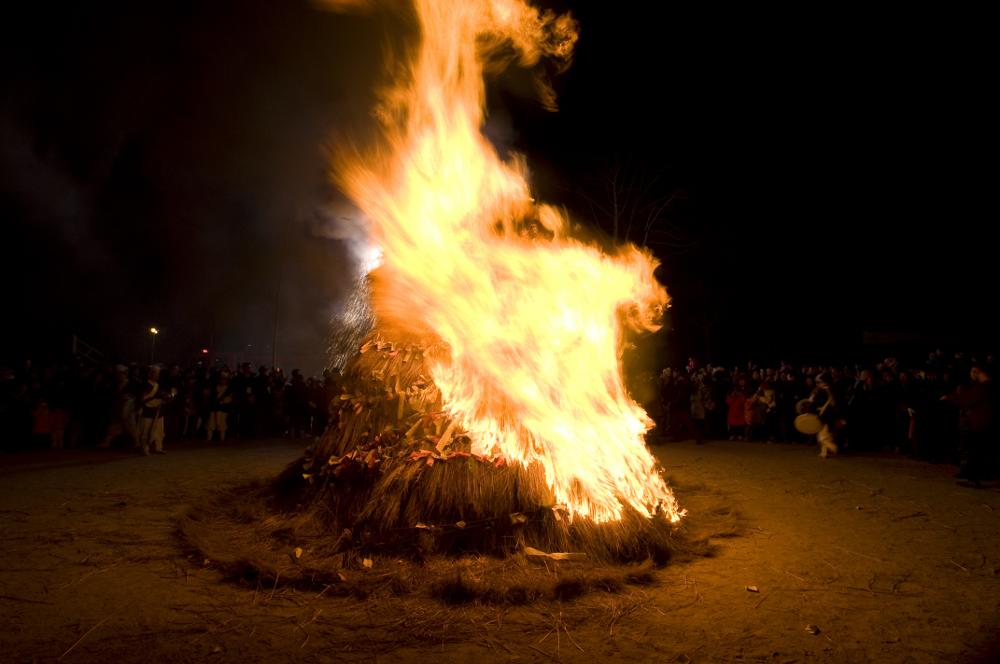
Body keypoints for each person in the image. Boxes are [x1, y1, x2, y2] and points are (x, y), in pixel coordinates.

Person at [941, 364, 994, 487]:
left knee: (975, 451)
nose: (972, 375)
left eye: (974, 372)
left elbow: (966, 399)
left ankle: (974, 478)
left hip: (979, 423)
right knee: (979, 451)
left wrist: (949, 397)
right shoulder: (985, 387)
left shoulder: (983, 388)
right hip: (981, 423)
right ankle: (978, 475)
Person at [139, 365, 172, 455]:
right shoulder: (145, 384)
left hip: (158, 410)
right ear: (151, 374)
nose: (157, 376)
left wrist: (166, 397)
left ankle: (158, 447)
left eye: (158, 374)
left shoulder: (158, 385)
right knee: (146, 431)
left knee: (159, 431)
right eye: (156, 374)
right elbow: (144, 398)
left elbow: (163, 396)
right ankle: (145, 448)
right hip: (148, 410)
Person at [810, 373, 842, 458]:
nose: (818, 384)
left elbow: (833, 403)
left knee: (823, 437)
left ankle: (834, 448)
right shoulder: (820, 390)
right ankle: (824, 452)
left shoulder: (830, 389)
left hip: (829, 416)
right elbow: (815, 400)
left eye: (820, 382)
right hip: (824, 416)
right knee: (824, 435)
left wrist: (824, 408)